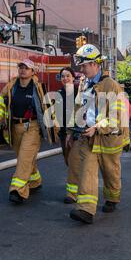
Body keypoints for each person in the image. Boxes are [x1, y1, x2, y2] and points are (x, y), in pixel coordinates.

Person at [68, 44, 131, 225]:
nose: (81, 69)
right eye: (80, 66)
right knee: (87, 171)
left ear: (96, 64)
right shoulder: (84, 83)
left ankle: (112, 198)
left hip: (109, 137)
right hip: (88, 136)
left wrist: (97, 127)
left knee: (110, 171)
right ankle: (86, 210)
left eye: (84, 65)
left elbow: (116, 117)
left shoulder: (111, 86)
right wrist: (73, 130)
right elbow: (80, 108)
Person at [0, 59, 57, 204]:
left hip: (32, 127)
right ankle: (35, 180)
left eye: (26, 68)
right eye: (21, 67)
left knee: (24, 158)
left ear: (33, 72)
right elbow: (0, 105)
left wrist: (55, 128)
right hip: (15, 128)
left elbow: (48, 110)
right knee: (23, 158)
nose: (23, 70)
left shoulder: (38, 88)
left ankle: (17, 190)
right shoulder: (11, 86)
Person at [57, 67, 80, 204]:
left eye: (68, 76)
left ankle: (72, 194)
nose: (65, 78)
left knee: (73, 162)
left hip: (76, 133)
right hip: (63, 133)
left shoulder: (79, 93)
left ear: (73, 78)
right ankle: (80, 184)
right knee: (68, 161)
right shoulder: (59, 94)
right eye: (63, 76)